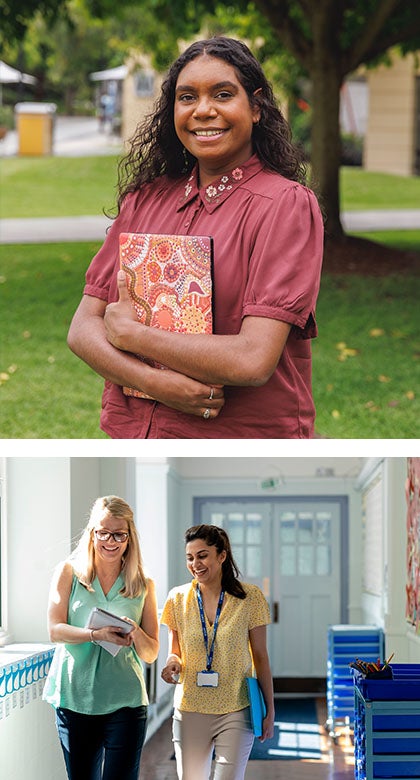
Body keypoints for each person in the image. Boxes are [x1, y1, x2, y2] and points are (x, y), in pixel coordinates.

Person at [67, 36, 324, 439]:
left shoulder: (283, 205)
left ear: (256, 108)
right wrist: (154, 383)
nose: (203, 111)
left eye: (223, 94)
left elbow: (253, 360)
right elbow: (83, 328)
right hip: (137, 434)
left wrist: (134, 335)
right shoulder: (144, 200)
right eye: (187, 98)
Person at [43, 495, 159, 780]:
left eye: (119, 534)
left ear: (130, 537)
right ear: (91, 533)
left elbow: (151, 652)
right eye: (103, 532)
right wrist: (95, 634)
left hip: (125, 700)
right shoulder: (68, 572)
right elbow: (55, 630)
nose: (111, 541)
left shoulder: (143, 584)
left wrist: (135, 631)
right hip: (75, 698)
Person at [160, 524, 274, 780]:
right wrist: (172, 664)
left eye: (202, 555)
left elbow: (261, 658)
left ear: (221, 555)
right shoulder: (177, 598)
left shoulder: (250, 598)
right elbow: (174, 652)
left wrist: (270, 711)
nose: (195, 564)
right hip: (190, 708)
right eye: (190, 558)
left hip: (235, 708)